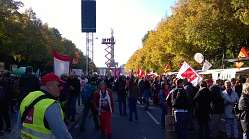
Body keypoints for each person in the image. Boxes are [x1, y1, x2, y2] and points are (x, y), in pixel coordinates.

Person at [17, 72, 72, 139]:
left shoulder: (29, 96)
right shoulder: (51, 105)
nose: (61, 88)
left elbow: (19, 125)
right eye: (59, 85)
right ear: (49, 86)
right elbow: (63, 135)